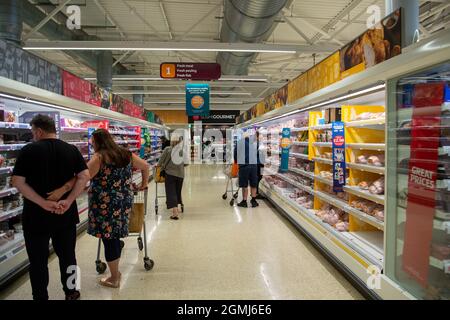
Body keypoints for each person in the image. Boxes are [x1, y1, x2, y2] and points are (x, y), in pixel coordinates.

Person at [11, 114, 90, 301]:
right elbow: (84, 176)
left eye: (32, 132)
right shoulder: (71, 150)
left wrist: (43, 202)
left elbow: (17, 181)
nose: (33, 135)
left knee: (38, 261)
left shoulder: (28, 150)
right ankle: (72, 292)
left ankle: (40, 296)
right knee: (68, 257)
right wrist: (69, 200)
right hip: (65, 213)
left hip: (36, 215)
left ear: (38, 131)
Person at [85, 129, 150, 288]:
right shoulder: (126, 154)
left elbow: (84, 177)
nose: (91, 143)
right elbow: (146, 166)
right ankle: (116, 253)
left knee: (108, 238)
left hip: (104, 204)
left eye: (92, 141)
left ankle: (114, 277)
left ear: (98, 142)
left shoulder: (99, 157)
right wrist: (144, 184)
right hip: (123, 201)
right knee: (114, 232)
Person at [158, 136, 185, 220]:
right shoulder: (182, 151)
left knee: (171, 192)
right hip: (180, 174)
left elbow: (160, 162)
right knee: (177, 191)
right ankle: (177, 206)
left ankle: (175, 212)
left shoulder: (167, 149)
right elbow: (186, 163)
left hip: (170, 174)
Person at [234, 133, 259, 208]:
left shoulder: (239, 143)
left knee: (244, 184)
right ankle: (253, 200)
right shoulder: (254, 143)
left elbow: (235, 154)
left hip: (244, 166)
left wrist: (237, 161)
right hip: (254, 166)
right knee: (253, 184)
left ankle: (244, 201)